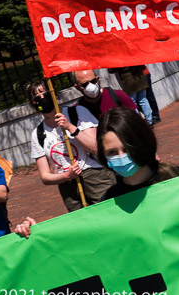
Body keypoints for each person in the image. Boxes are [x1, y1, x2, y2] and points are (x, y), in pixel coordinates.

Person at [15, 107, 179, 238]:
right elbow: (87, 241)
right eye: (112, 152)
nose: (121, 156)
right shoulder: (109, 202)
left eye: (128, 148)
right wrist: (37, 234)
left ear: (144, 142)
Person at [26, 80, 115, 211]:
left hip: (94, 176)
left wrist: (71, 127)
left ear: (54, 94)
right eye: (36, 97)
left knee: (109, 212)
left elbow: (96, 147)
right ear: (33, 103)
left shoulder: (76, 113)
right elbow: (45, 176)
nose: (42, 98)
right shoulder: (38, 134)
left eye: (46, 93)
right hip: (67, 186)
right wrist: (66, 176)